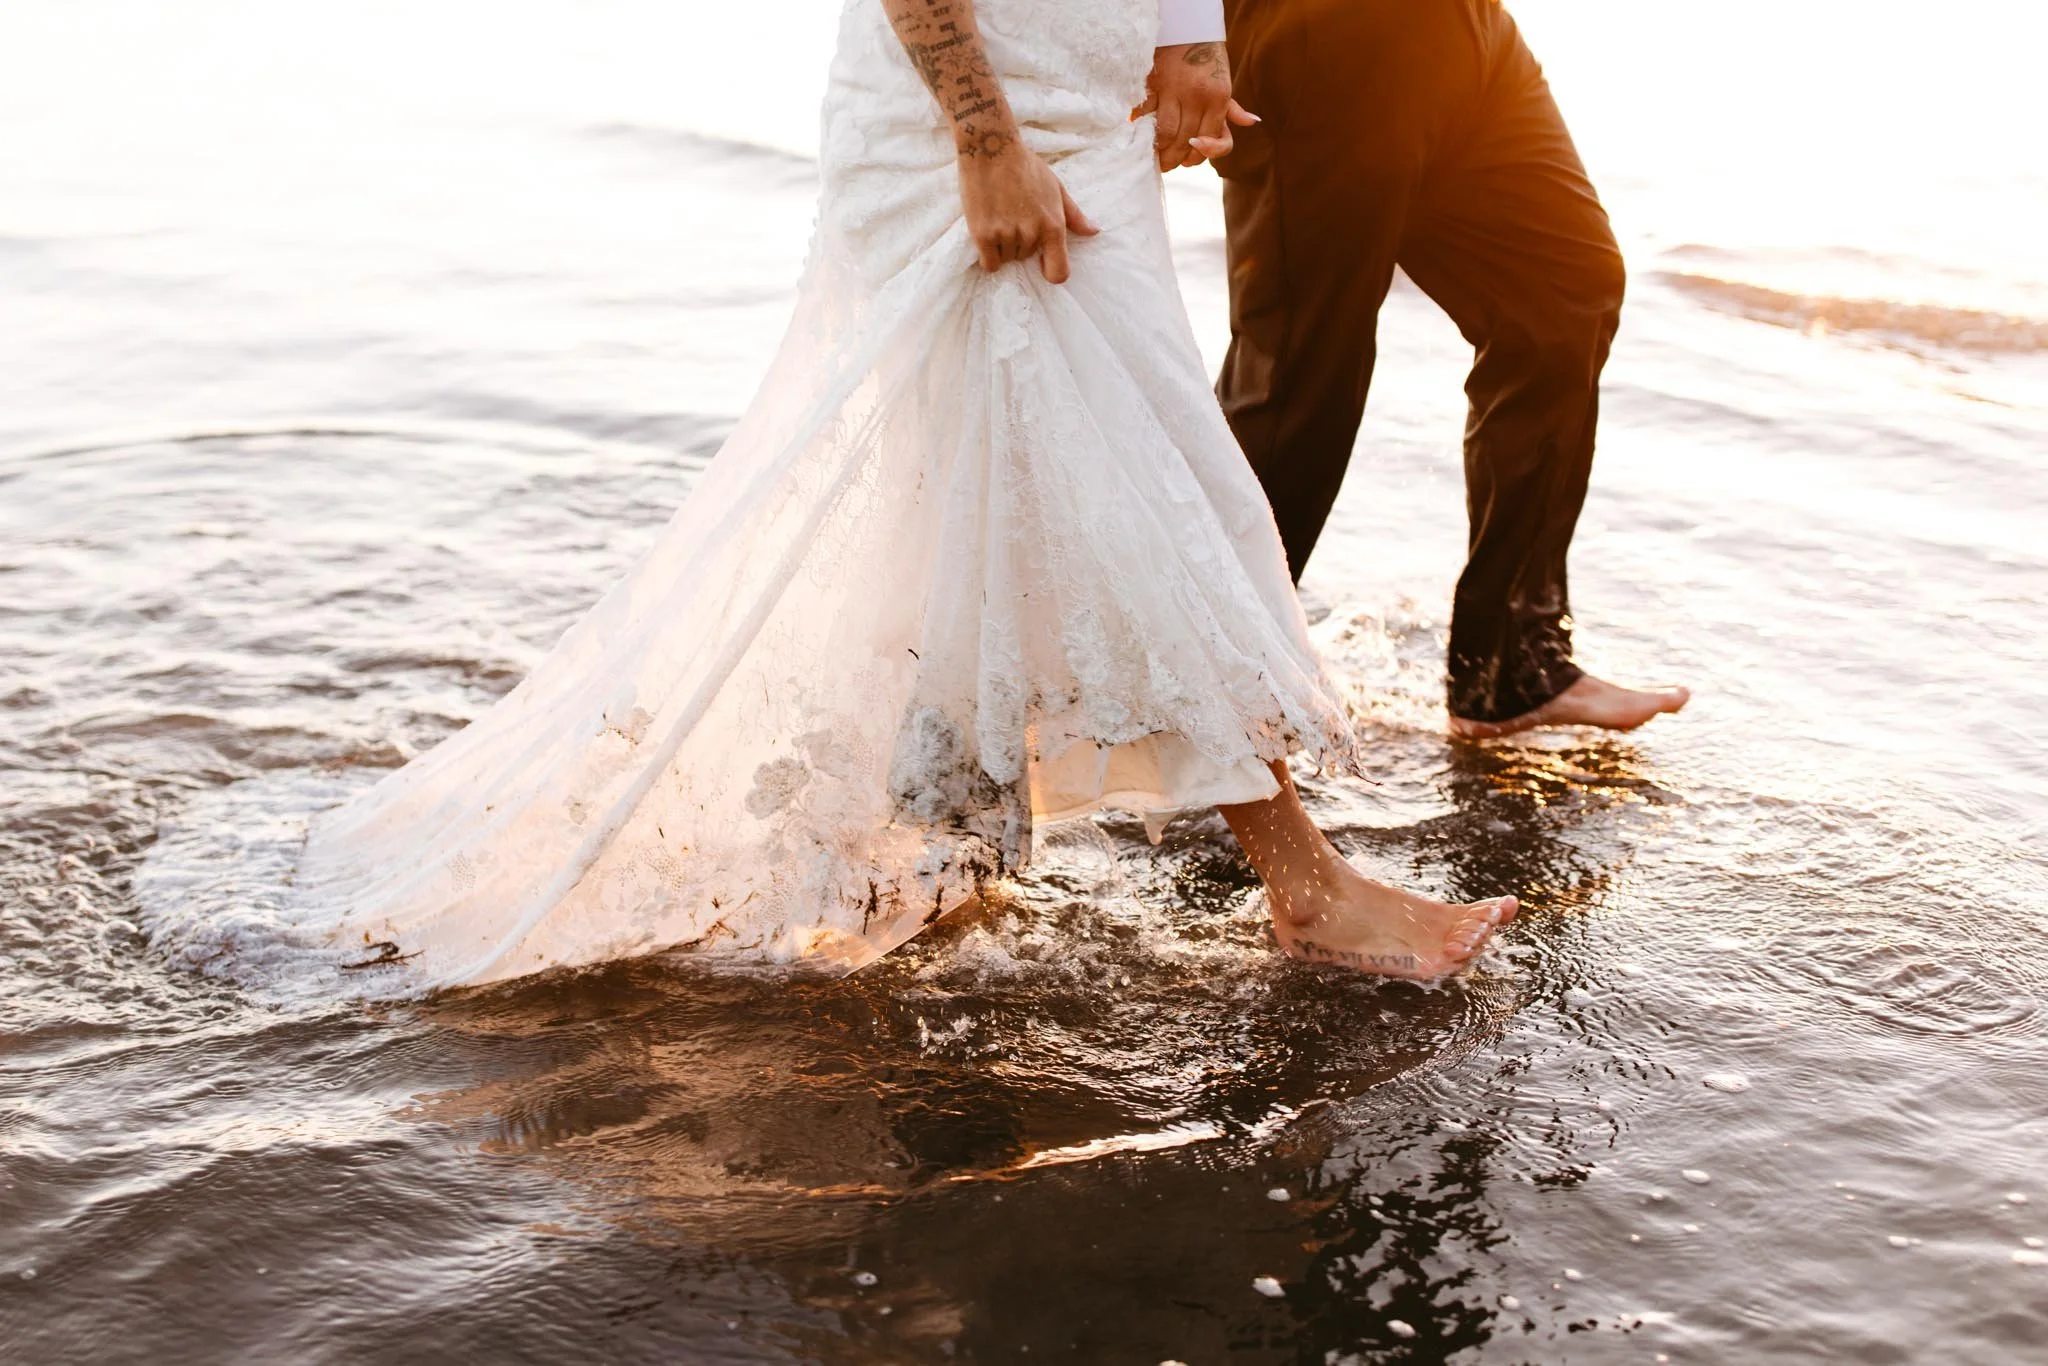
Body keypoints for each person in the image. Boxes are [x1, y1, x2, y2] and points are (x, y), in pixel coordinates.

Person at [287, 0, 1516, 993]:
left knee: (1002, 503)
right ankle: (1300, 884)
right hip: (969, 127)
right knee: (1138, 488)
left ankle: (938, 850)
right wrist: (982, 141)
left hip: (1090, 108)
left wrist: (1185, 38)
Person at [1148, 0, 1690, 738]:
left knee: (1565, 292)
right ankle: (1206, 694)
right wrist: (1189, 37)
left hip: (1467, 27)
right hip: (1322, 27)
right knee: (1304, 371)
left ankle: (1510, 669)